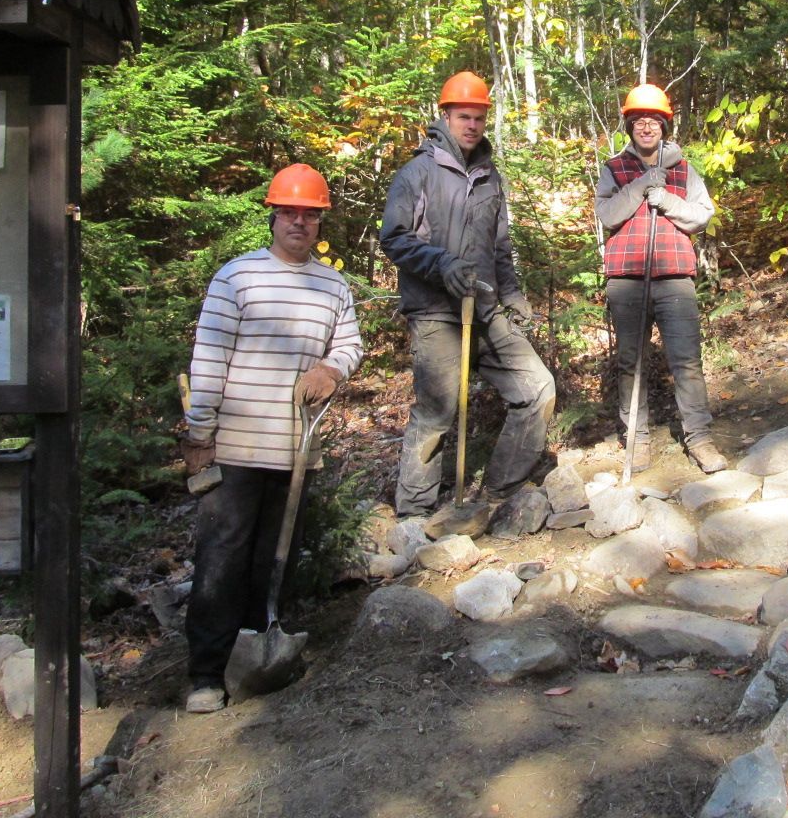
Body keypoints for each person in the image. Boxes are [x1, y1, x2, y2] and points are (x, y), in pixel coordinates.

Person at [179, 164, 362, 713]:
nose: (299, 223)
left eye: (309, 214)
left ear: (320, 220)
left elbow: (350, 345)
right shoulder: (236, 278)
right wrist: (200, 434)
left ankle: (258, 653)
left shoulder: (333, 286)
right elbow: (208, 358)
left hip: (294, 450)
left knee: (273, 556)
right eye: (289, 212)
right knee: (221, 557)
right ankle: (206, 676)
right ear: (273, 215)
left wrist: (331, 370)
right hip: (234, 445)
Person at [380, 71, 555, 517]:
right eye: (464, 116)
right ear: (445, 116)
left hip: (486, 307)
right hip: (436, 311)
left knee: (538, 388)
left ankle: (499, 491)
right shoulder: (417, 173)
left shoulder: (491, 176)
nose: (472, 125)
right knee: (437, 413)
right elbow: (394, 238)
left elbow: (499, 246)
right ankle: (414, 516)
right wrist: (442, 264)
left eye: (478, 117)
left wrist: (512, 294)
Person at [594, 84, 727, 474]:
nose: (646, 127)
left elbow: (702, 216)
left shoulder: (685, 170)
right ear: (630, 125)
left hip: (675, 279)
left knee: (686, 362)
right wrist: (639, 187)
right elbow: (608, 215)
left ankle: (700, 439)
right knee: (630, 362)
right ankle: (637, 440)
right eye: (639, 121)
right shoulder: (614, 169)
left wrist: (666, 199)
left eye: (654, 120)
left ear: (664, 125)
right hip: (627, 280)